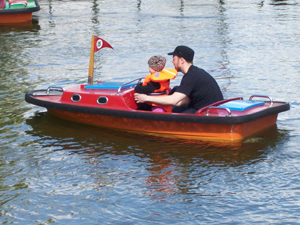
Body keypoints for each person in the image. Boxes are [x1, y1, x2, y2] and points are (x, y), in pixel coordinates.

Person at [134, 46, 223, 114]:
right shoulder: (196, 72)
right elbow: (185, 101)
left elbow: (173, 100)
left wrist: (145, 98)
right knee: (176, 89)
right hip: (214, 109)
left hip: (204, 113)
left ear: (181, 60)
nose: (172, 62)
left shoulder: (191, 77)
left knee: (167, 110)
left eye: (174, 59)